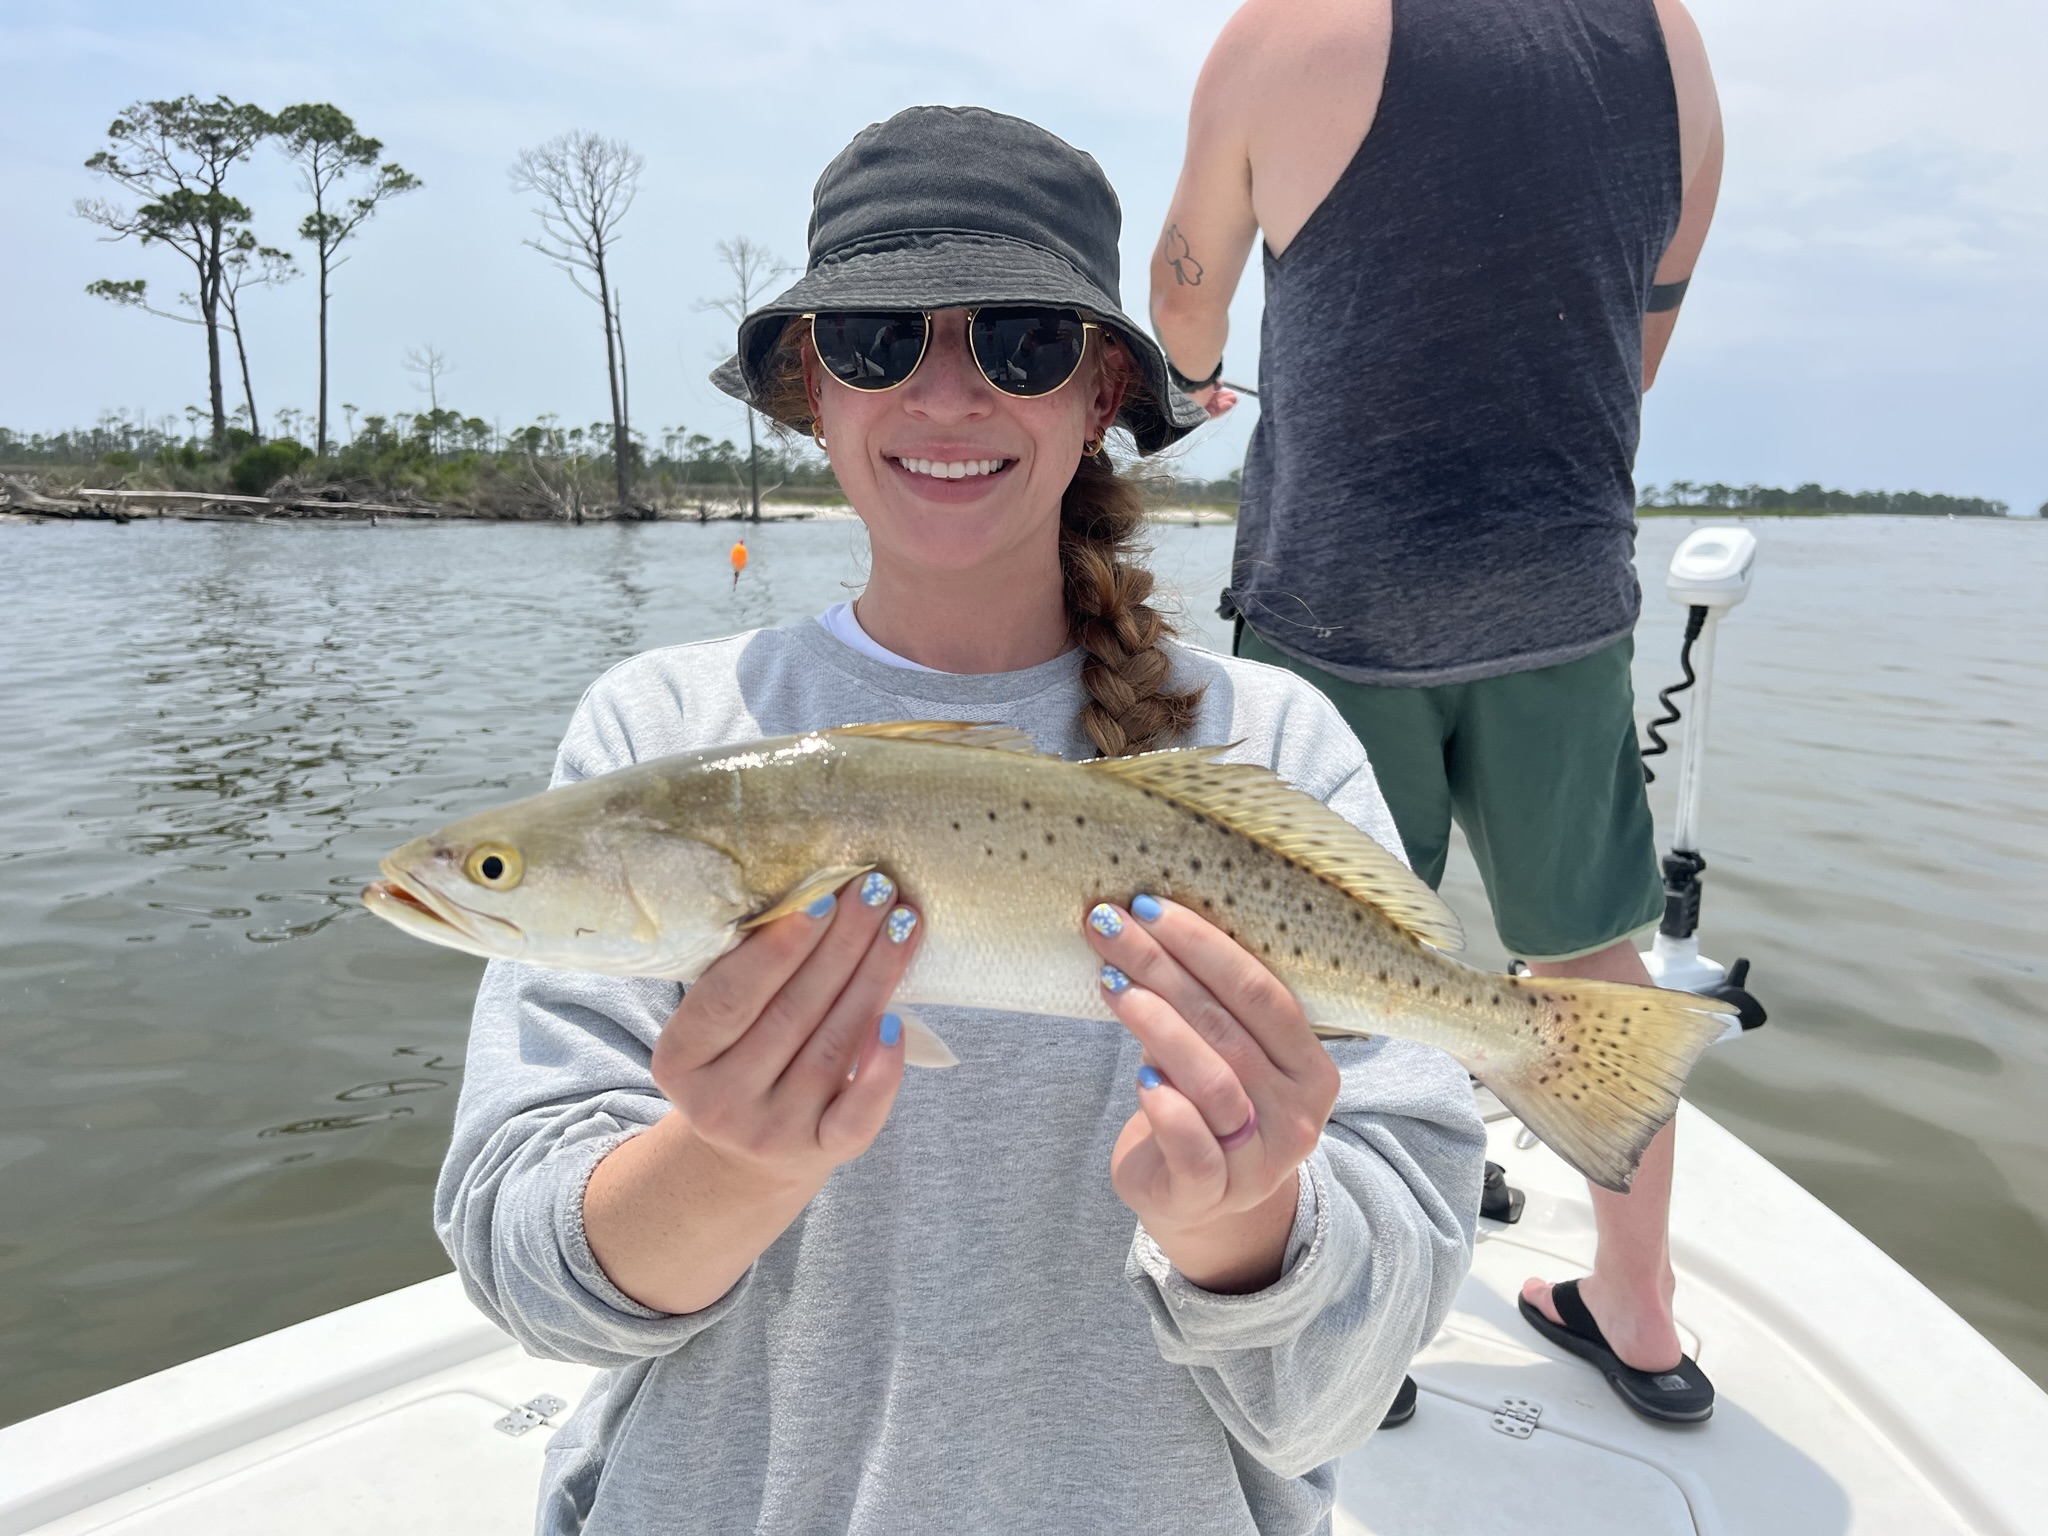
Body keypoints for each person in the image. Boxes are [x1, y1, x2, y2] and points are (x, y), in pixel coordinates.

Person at [436, 105, 1485, 1535]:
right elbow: (536, 1287)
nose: (946, 395)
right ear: (815, 385)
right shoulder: (658, 730)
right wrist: (734, 1161)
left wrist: (1239, 1224)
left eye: (1021, 342)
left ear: (1101, 385)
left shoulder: (1275, 743)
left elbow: (1344, 1390)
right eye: (877, 339)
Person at [1149, 0, 1724, 1424]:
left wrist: (1193, 376)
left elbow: (1184, 295)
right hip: (1561, 591)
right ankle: (1641, 1313)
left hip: (1339, 589)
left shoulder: (1282, 31)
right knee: (1595, 953)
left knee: (1322, 959)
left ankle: (1370, 1328)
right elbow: (1640, 340)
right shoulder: (1674, 44)